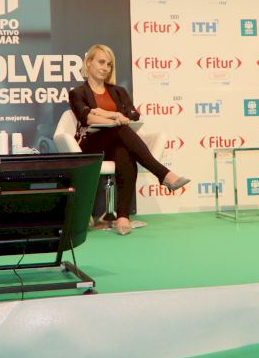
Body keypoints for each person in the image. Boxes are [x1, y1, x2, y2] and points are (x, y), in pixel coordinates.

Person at [68, 44, 189, 235]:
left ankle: (122, 217)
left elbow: (133, 115)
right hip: (91, 144)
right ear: (88, 63)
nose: (105, 68)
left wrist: (103, 113)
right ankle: (163, 174)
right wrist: (114, 116)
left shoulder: (119, 91)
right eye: (101, 62)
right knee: (118, 128)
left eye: (109, 64)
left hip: (115, 143)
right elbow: (87, 118)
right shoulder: (77, 93)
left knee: (124, 152)